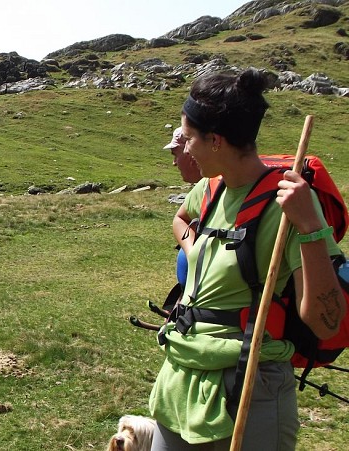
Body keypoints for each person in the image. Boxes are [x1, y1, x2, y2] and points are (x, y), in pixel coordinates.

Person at [148, 68, 346, 450]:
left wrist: (310, 226)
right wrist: (199, 253)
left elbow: (326, 322)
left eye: (188, 139)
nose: (184, 150)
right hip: (179, 379)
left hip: (247, 387)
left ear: (216, 140)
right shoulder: (209, 189)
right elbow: (181, 219)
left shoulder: (289, 207)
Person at [162, 127, 202, 286]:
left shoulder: (216, 185)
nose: (174, 163)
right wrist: (193, 254)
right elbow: (180, 218)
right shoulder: (203, 189)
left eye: (175, 154)